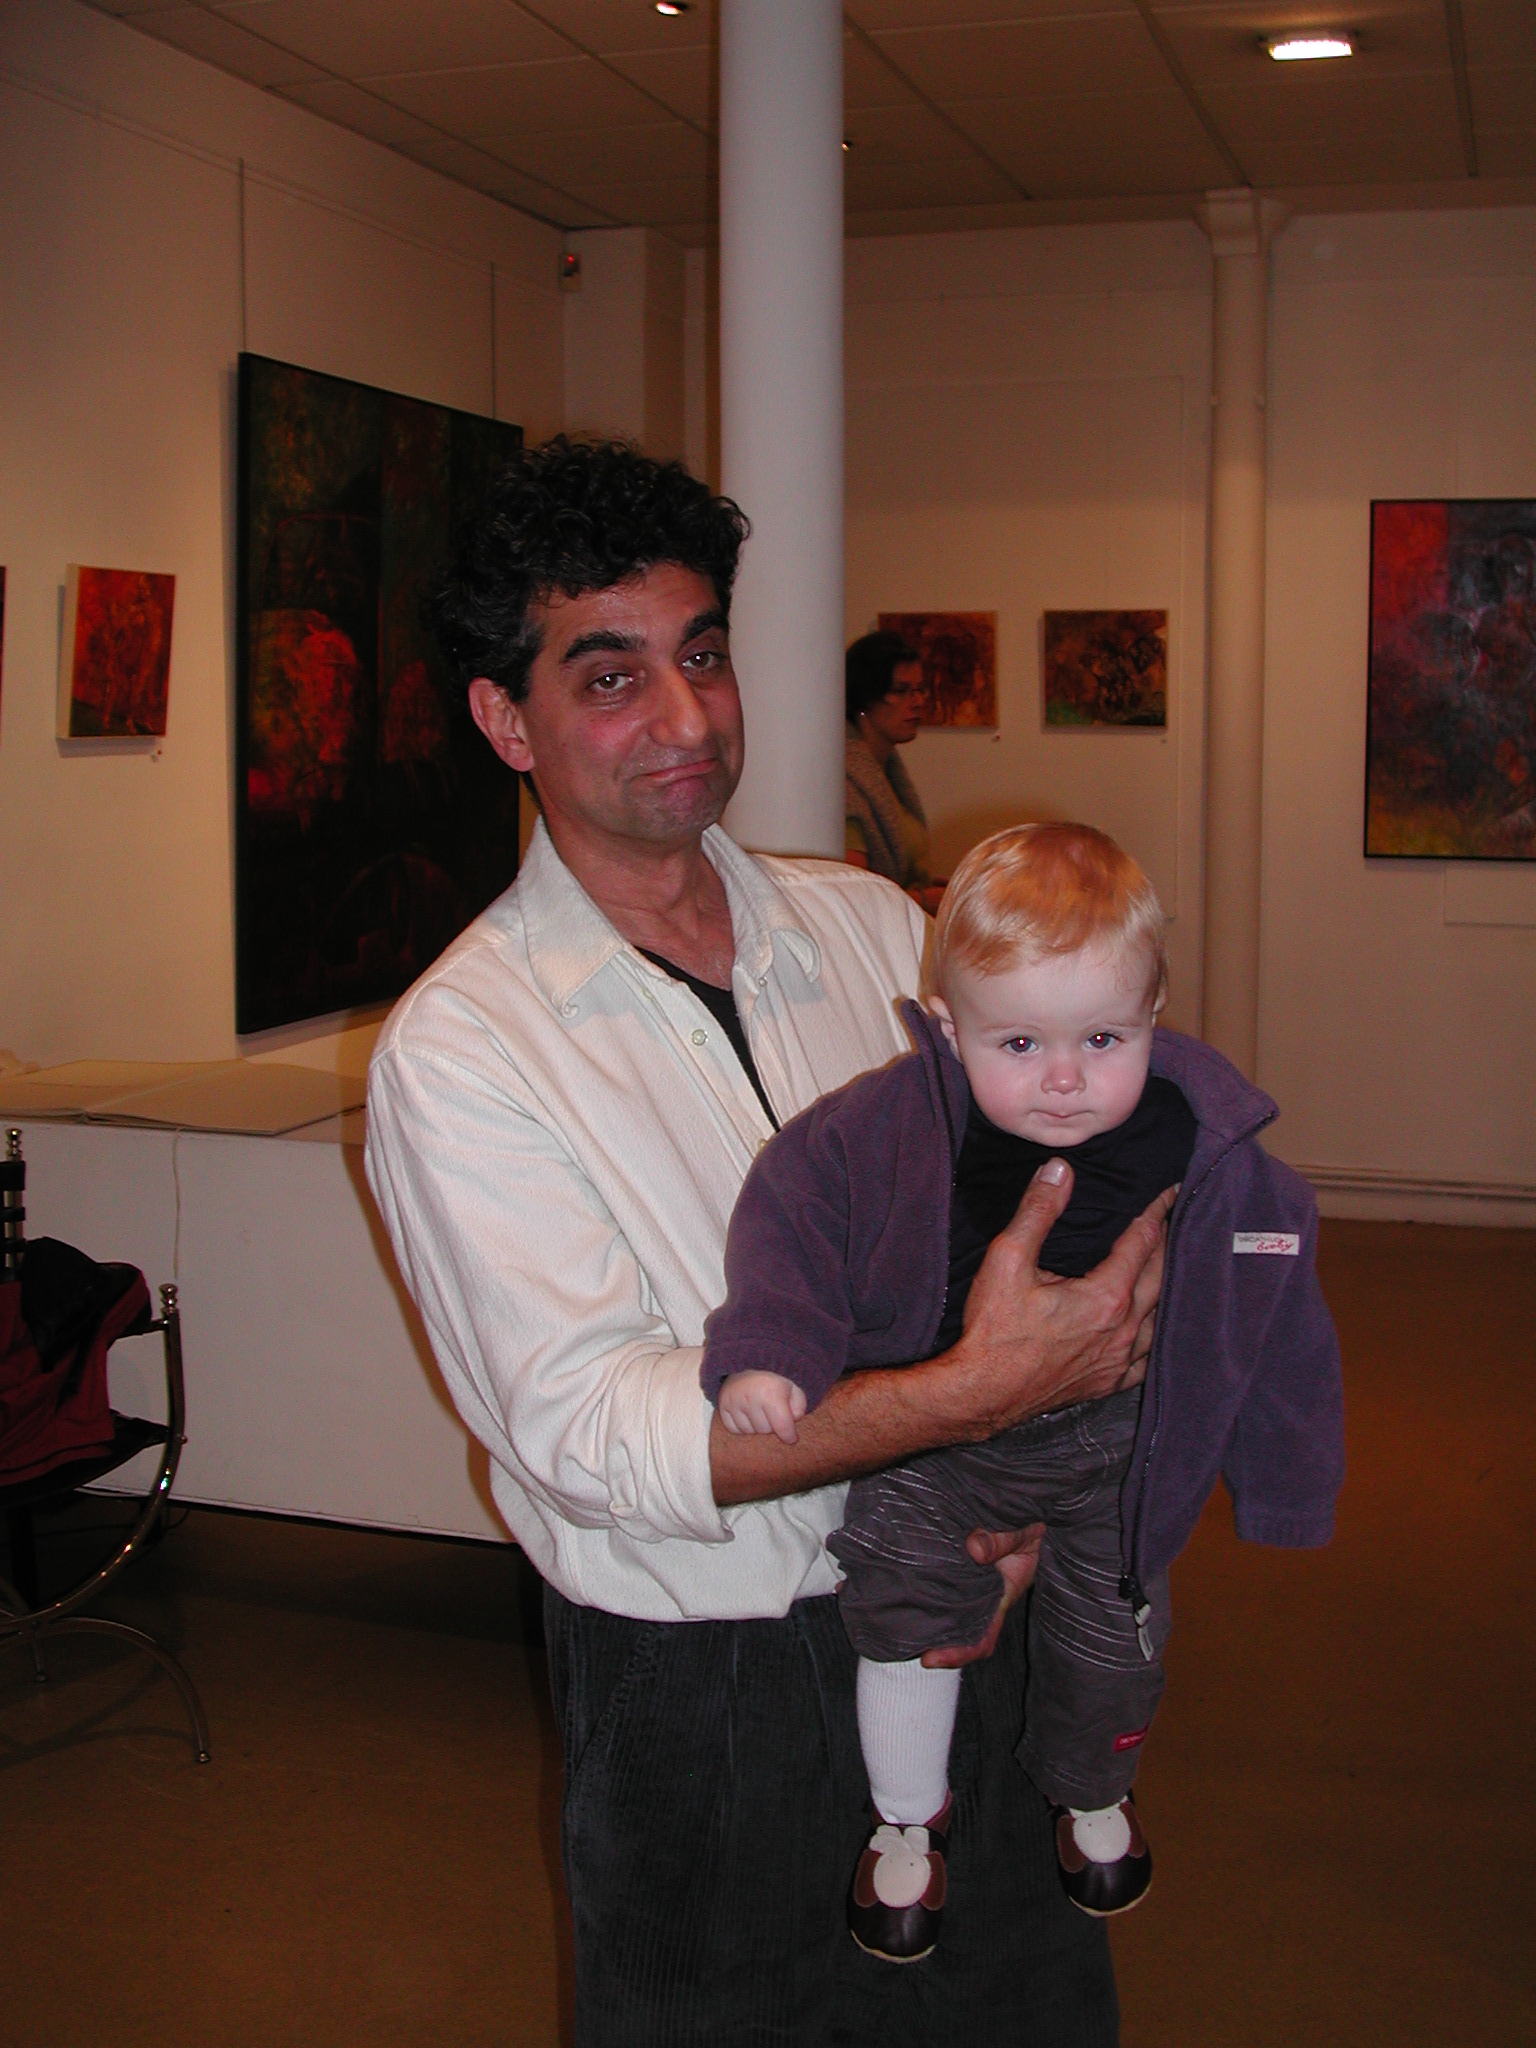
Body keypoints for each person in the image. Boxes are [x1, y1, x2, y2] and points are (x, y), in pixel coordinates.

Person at [364, 439, 1171, 2046]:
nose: (685, 718)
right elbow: (596, 1433)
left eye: (704, 654)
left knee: (1024, 2013)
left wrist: (1034, 1480)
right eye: (611, 676)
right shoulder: (465, 1049)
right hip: (707, 1689)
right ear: (506, 721)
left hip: (971, 1617)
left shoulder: (873, 935)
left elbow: (1032, 1213)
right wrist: (968, 1399)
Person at [705, 823, 1345, 1962]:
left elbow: (1276, 1312)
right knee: (901, 1603)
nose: (1063, 1077)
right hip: (936, 1442)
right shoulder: (890, 1123)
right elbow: (793, 1214)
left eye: (1103, 1037)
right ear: (949, 1028)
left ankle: (1093, 1789)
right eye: (1018, 1042)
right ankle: (907, 1821)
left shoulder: (1208, 1145)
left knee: (1118, 1630)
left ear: (1155, 1014)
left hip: (1118, 1446)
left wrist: (1285, 1481)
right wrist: (771, 1349)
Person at [844, 630, 945, 912]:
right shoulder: (848, 786)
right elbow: (853, 896)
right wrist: (927, 899)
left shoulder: (887, 773)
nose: (918, 701)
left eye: (920, 689)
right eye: (901, 691)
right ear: (864, 700)